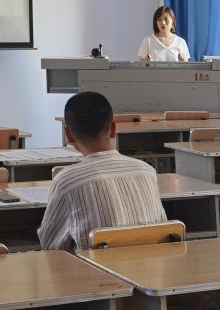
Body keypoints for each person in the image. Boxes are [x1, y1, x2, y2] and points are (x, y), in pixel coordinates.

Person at [38, 91, 167, 252]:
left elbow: (49, 244)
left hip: (96, 268)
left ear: (69, 135)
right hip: (151, 265)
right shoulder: (148, 171)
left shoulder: (66, 181)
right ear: (113, 129)